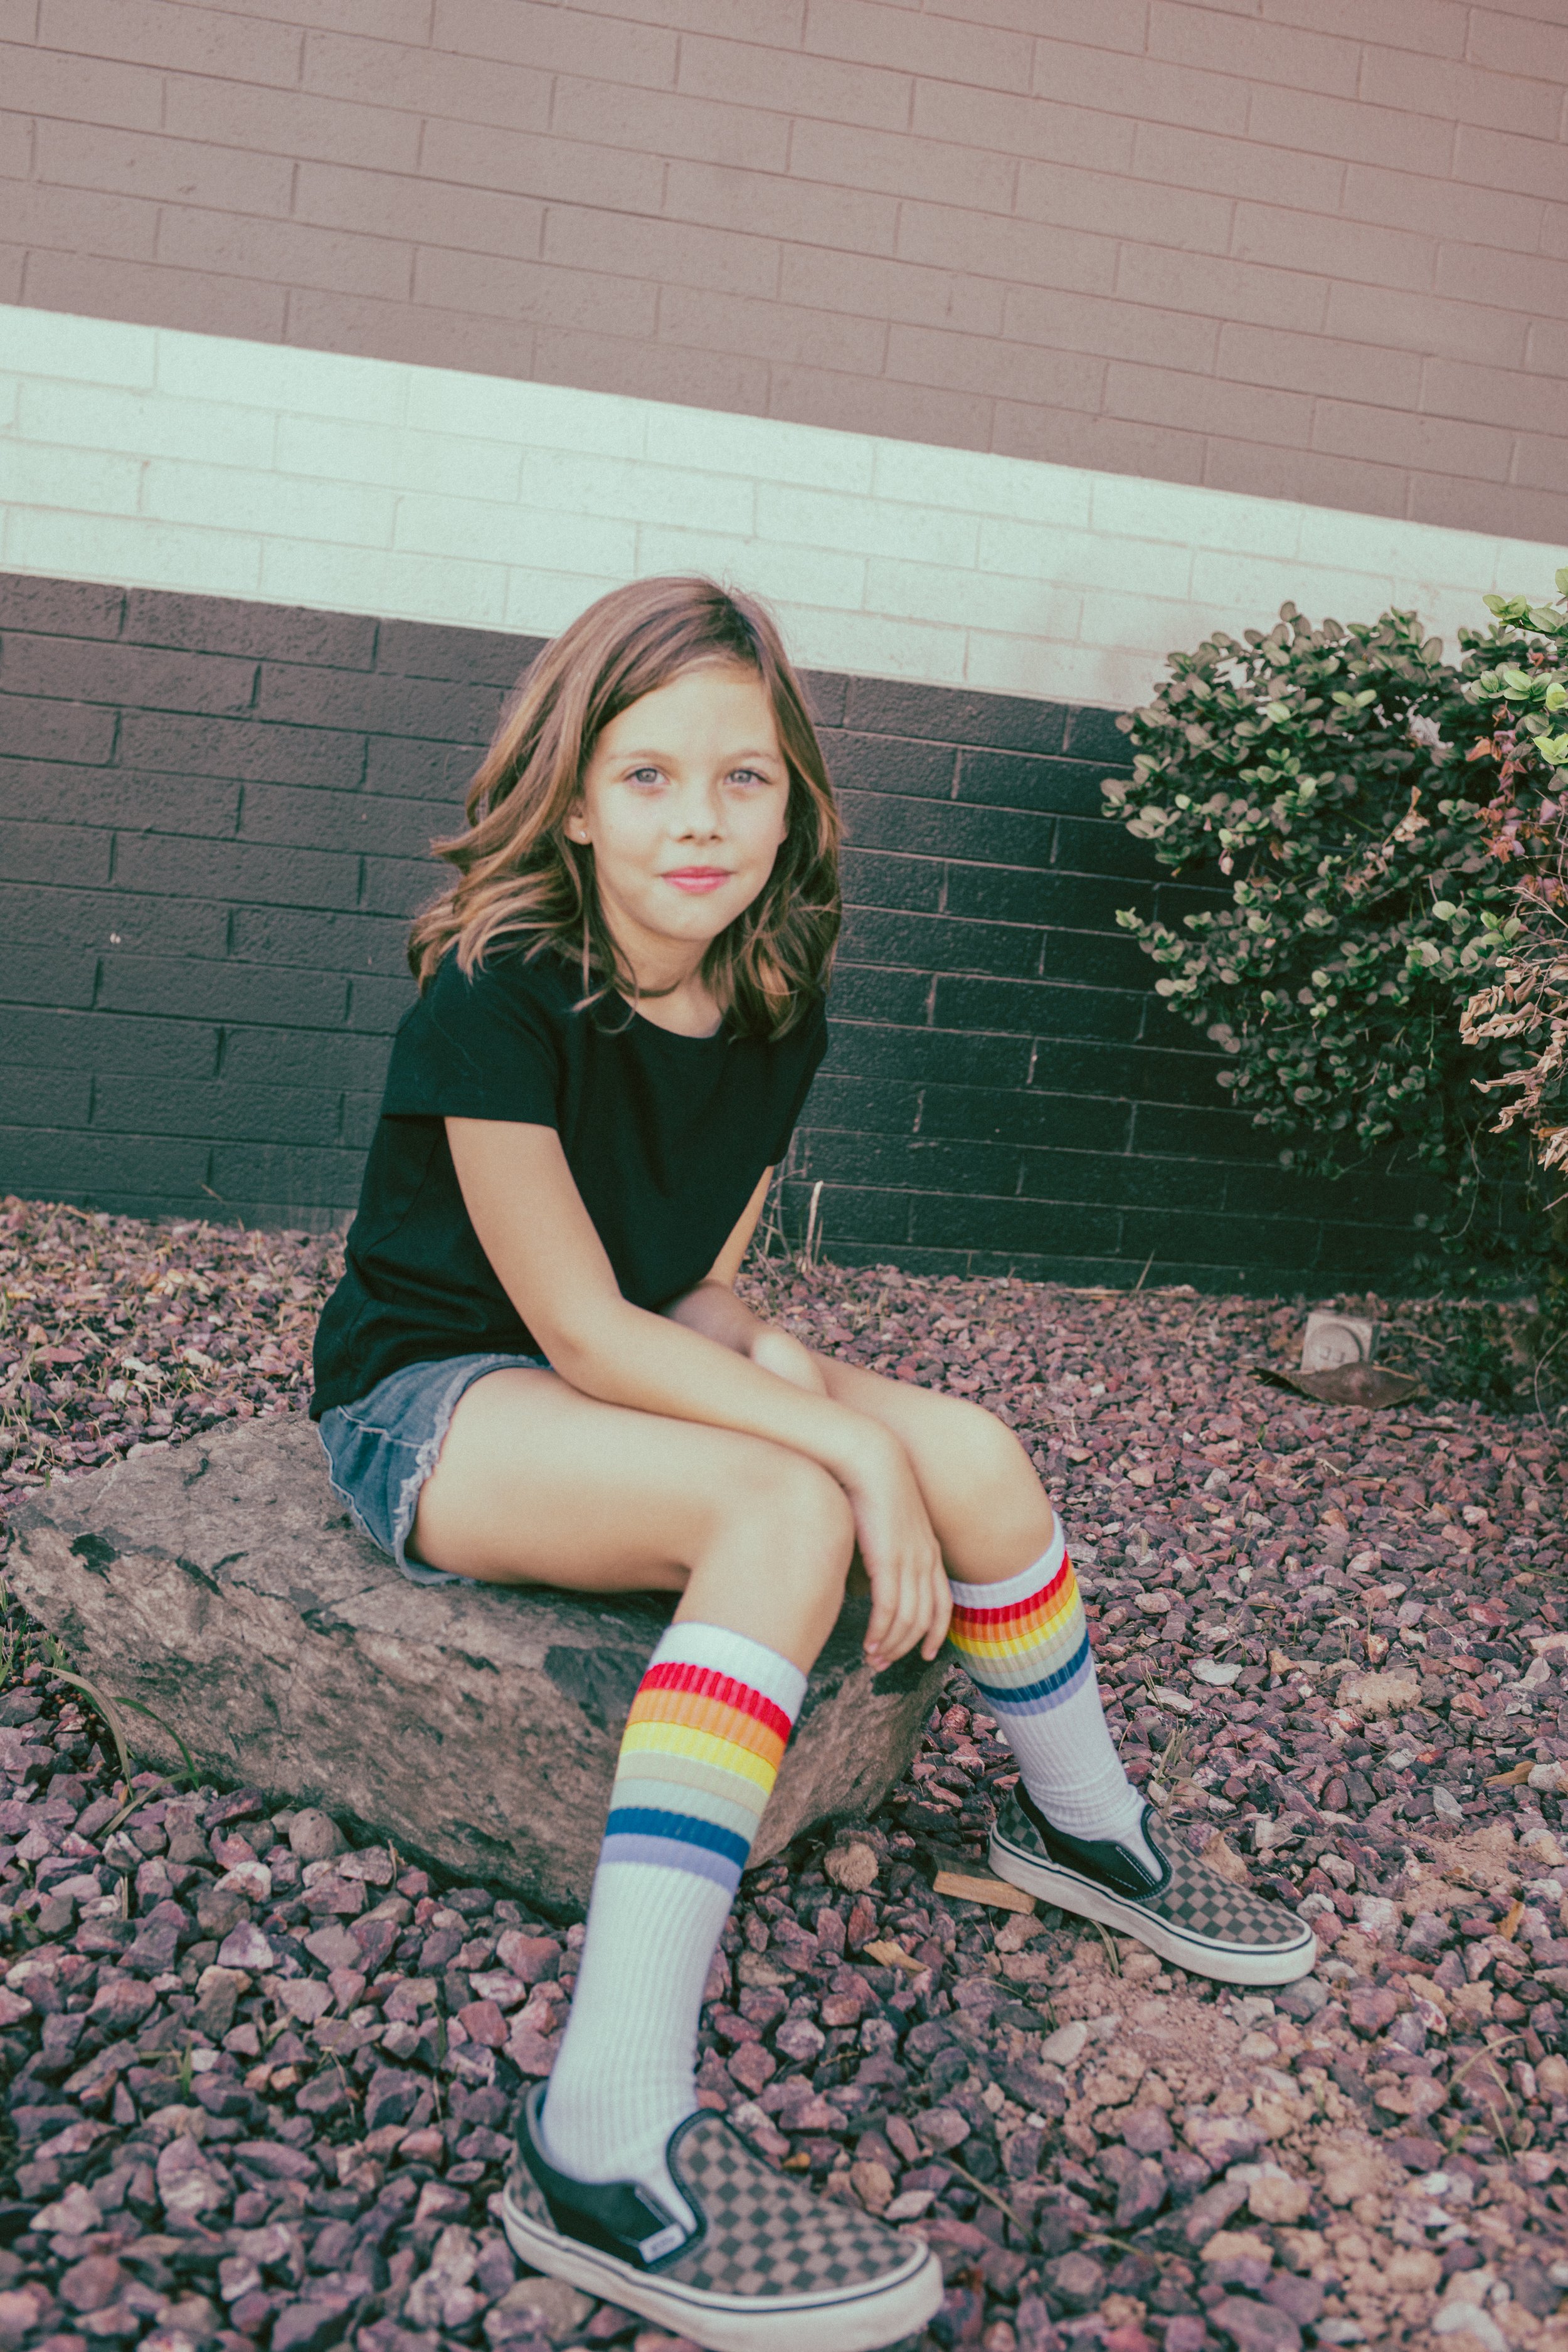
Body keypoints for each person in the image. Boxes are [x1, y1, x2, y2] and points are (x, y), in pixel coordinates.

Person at [310, 576, 1313, 2352]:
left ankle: (1086, 1834)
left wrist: (787, 1366)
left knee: (979, 1460)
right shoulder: (494, 995)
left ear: (795, 806)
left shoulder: (772, 1003)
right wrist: (832, 1441)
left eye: (743, 781)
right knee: (784, 1503)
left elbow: (691, 1287)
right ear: (566, 791)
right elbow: (577, 1330)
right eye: (645, 778)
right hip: (445, 1393)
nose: (697, 822)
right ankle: (603, 2139)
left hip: (630, 1345)